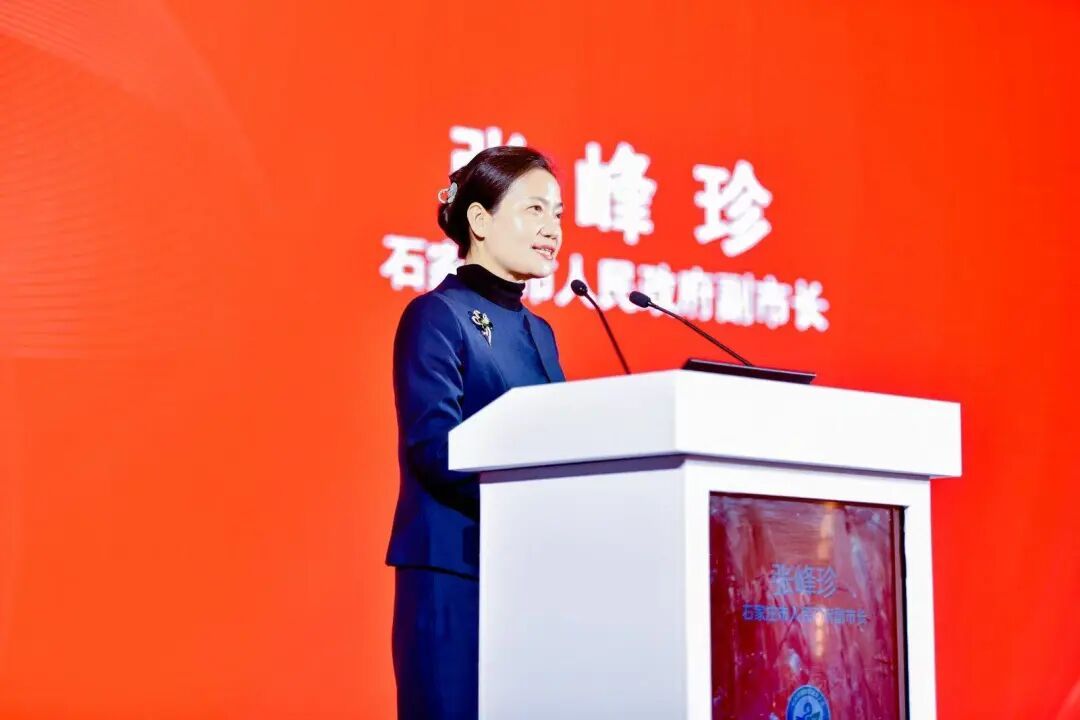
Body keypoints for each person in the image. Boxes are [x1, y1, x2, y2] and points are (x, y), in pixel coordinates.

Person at [386, 146, 566, 719]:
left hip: (528, 573)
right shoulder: (437, 315)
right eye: (534, 210)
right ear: (480, 221)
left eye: (558, 214)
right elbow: (433, 447)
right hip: (454, 572)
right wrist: (527, 497)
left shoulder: (540, 331)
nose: (552, 229)